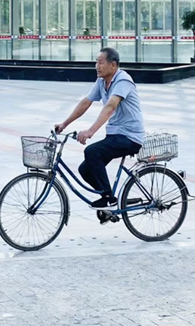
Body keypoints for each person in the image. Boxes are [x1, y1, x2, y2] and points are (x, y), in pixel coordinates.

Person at [55, 47, 145, 210]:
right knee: (85, 170)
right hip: (115, 135)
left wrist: (91, 131)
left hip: (130, 137)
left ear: (113, 65)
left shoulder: (123, 80)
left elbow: (110, 106)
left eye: (101, 62)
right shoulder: (102, 81)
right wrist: (64, 124)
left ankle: (109, 199)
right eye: (96, 62)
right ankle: (109, 199)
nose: (97, 66)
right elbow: (86, 102)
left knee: (92, 152)